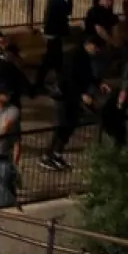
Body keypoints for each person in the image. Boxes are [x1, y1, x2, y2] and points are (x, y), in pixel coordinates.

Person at [41, 35, 105, 171]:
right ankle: (48, 155)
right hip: (65, 97)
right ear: (91, 44)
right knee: (64, 125)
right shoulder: (75, 56)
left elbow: (86, 76)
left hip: (72, 97)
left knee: (69, 125)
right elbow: (69, 79)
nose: (97, 52)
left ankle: (56, 153)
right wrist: (82, 94)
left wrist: (98, 83)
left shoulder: (84, 56)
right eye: (97, 48)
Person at [36, 0, 74, 94]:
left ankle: (54, 83)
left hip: (54, 33)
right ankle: (42, 84)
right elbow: (67, 11)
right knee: (51, 60)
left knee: (56, 60)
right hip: (53, 34)